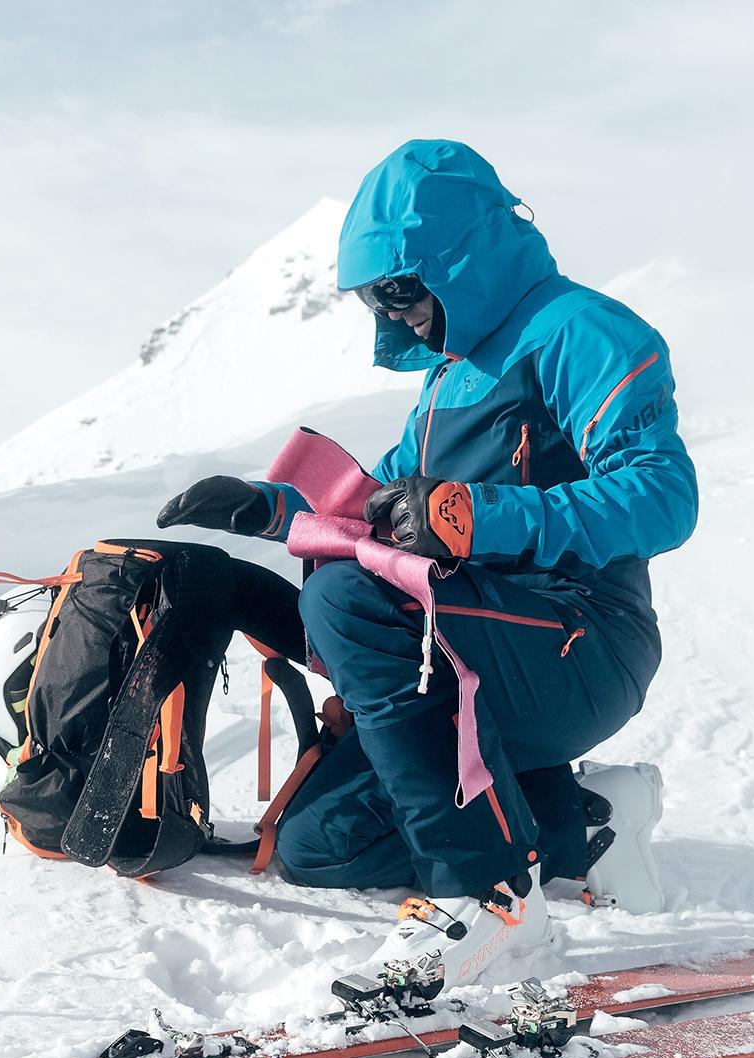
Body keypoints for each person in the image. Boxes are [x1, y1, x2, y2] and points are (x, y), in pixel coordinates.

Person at [157, 140, 696, 990]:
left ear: (459, 256)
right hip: (474, 638)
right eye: (378, 296)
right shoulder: (446, 382)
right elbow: (374, 511)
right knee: (316, 844)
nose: (393, 311)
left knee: (345, 598)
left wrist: (478, 514)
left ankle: (489, 896)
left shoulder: (580, 330)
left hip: (580, 636)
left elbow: (666, 496)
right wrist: (268, 510)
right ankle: (581, 819)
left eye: (401, 288)